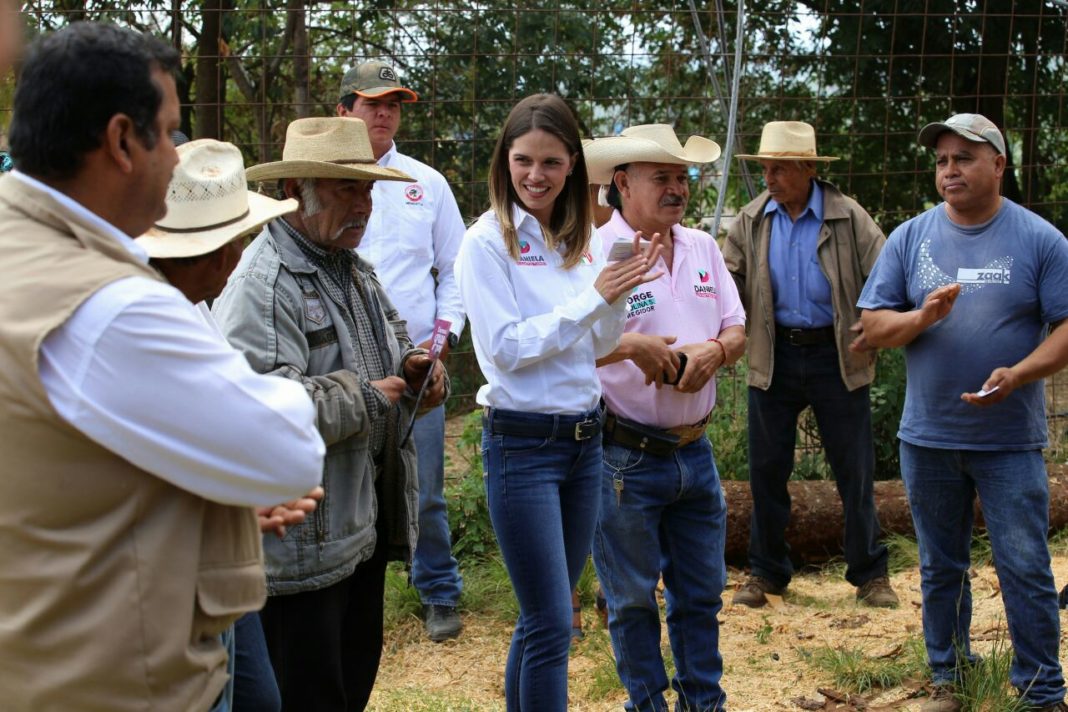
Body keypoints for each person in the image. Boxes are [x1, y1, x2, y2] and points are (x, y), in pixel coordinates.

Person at [0, 23, 324, 712]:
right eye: (172, 133)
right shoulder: (112, 306)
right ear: (122, 141)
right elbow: (289, 450)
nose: (178, 159)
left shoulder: (18, 249)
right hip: (122, 681)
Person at [212, 115, 448, 712]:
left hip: (352, 531)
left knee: (348, 688)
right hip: (299, 550)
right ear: (297, 192)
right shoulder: (264, 283)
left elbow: (397, 346)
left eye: (368, 188)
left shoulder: (353, 269)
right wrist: (368, 398)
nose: (365, 204)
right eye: (349, 189)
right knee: (309, 695)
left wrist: (421, 369)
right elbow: (255, 407)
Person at [456, 94, 662, 711]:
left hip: (583, 443)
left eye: (550, 161)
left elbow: (597, 343)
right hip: (522, 446)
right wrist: (591, 297)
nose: (535, 176)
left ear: (572, 164)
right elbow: (507, 349)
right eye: (523, 160)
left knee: (542, 619)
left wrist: (618, 290)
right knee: (552, 622)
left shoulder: (578, 240)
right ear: (505, 161)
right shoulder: (485, 243)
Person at [858, 113, 1068, 712]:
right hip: (928, 436)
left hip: (1008, 439)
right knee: (939, 564)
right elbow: (873, 324)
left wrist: (1021, 373)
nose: (950, 170)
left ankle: (1040, 690)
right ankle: (949, 677)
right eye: (943, 160)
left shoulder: (1039, 240)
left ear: (999, 165)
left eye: (965, 158)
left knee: (1024, 565)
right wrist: (921, 317)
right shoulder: (910, 238)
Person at [139, 137, 327, 712]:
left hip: (212, 552)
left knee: (258, 700)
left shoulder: (192, 307)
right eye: (233, 240)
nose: (241, 252)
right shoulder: (143, 327)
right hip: (163, 576)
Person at [585, 124, 746, 711]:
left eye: (682, 177)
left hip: (694, 452)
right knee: (630, 599)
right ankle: (648, 705)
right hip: (625, 455)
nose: (677, 188)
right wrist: (634, 348)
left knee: (701, 592)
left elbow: (737, 326)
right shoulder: (598, 253)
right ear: (622, 184)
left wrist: (717, 351)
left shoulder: (702, 246)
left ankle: (705, 703)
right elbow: (573, 346)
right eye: (663, 178)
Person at [722, 120, 897, 609]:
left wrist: (874, 321)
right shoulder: (751, 220)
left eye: (780, 169)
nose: (770, 178)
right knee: (766, 469)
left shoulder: (848, 217)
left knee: (854, 470)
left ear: (808, 169)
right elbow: (724, 280)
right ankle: (767, 573)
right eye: (766, 169)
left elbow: (886, 272)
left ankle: (871, 574)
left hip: (836, 354)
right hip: (773, 353)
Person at [336, 60, 467, 641]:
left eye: (394, 103)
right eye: (372, 102)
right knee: (342, 479)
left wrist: (438, 344)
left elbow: (455, 272)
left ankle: (438, 588)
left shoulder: (426, 183)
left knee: (427, 486)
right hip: (339, 360)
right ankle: (345, 592)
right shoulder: (322, 180)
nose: (385, 112)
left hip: (415, 360)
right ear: (344, 111)